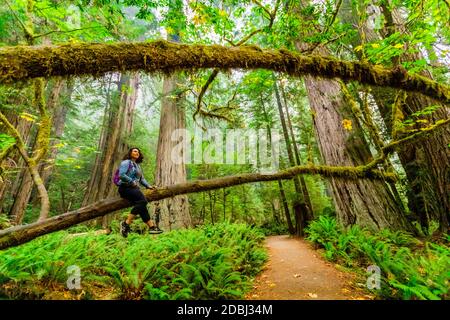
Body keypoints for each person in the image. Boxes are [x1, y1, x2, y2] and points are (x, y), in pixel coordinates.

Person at [117, 147, 163, 237]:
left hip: (134, 189)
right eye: (134, 151)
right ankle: (126, 224)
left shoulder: (137, 165)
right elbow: (121, 175)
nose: (137, 152)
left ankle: (152, 227)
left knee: (142, 206)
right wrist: (131, 181)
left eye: (138, 152)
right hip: (125, 188)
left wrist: (148, 186)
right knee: (143, 201)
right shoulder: (126, 162)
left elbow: (142, 179)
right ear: (130, 153)